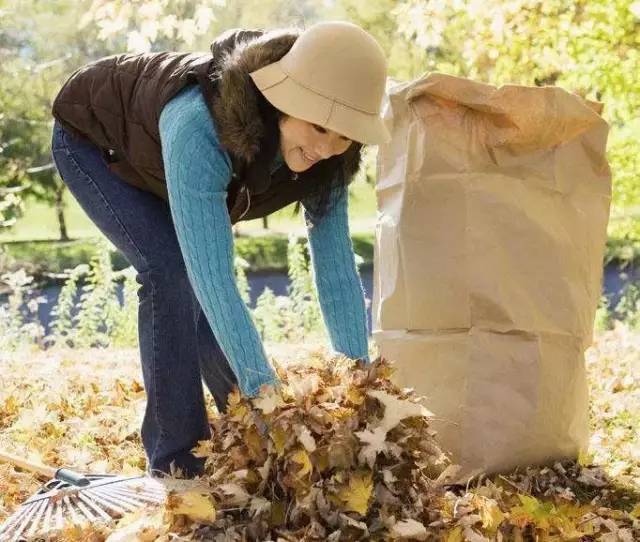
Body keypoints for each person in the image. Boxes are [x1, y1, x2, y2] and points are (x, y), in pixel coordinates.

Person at [50, 20, 390, 477]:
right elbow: (215, 282)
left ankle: (242, 420)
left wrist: (359, 388)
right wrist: (269, 400)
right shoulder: (200, 125)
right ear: (283, 100)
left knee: (196, 285)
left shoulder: (330, 159)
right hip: (98, 143)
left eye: (343, 135)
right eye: (317, 127)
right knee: (172, 273)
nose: (326, 148)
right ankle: (177, 460)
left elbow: (335, 270)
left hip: (166, 169)